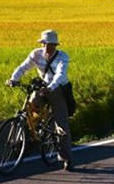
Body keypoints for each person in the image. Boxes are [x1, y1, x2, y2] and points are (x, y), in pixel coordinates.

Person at [6, 29, 74, 171]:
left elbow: (60, 75)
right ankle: (31, 135)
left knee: (61, 125)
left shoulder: (63, 57)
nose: (46, 47)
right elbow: (23, 67)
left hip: (58, 89)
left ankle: (66, 157)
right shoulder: (36, 54)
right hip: (42, 87)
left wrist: (50, 87)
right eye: (44, 43)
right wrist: (14, 79)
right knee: (30, 107)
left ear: (55, 45)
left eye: (49, 44)